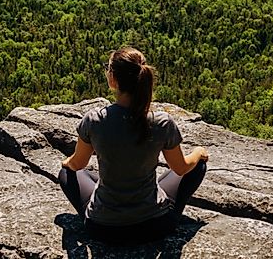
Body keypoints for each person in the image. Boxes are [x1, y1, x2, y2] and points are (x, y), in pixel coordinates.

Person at [58, 47, 209, 245]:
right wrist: (197, 153)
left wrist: (67, 162)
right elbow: (180, 168)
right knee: (198, 166)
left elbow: (77, 164)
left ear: (113, 79)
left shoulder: (95, 120)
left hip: (103, 229)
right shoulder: (162, 122)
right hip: (155, 226)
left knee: (66, 173)